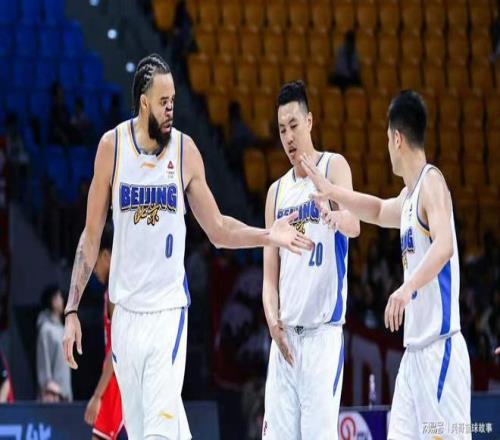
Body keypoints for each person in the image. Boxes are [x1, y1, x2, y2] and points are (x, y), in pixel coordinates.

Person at [62, 53, 312, 440]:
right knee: (146, 431)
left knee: (157, 434)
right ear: (143, 102)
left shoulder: (185, 151)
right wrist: (72, 308)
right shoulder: (112, 148)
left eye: (173, 101)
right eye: (163, 102)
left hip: (167, 314)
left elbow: (218, 229)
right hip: (125, 316)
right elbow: (91, 235)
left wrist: (268, 235)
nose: (170, 109)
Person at [301, 90, 471, 439]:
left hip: (440, 350)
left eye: (386, 139)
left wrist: (406, 288)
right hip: (414, 356)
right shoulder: (409, 198)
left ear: (396, 138)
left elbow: (444, 246)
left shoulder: (432, 182)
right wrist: (331, 190)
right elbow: (378, 210)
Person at [262, 81, 360, 440]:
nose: (288, 137)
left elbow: (354, 226)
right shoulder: (276, 192)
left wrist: (332, 214)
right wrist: (272, 322)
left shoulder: (334, 167)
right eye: (282, 130)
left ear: (310, 122)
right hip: (285, 339)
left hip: (322, 337)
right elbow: (269, 276)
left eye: (294, 125)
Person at [84, 223, 125, 440]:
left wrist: (97, 396)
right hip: (117, 378)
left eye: (95, 261)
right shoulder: (115, 290)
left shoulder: (115, 294)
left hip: (116, 380)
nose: (93, 269)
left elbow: (116, 350)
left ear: (107, 256)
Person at [37, 285, 72, 402]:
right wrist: (47, 384)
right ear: (52, 301)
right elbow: (43, 360)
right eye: (59, 297)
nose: (62, 300)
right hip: (52, 396)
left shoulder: (62, 328)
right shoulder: (46, 330)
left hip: (64, 393)